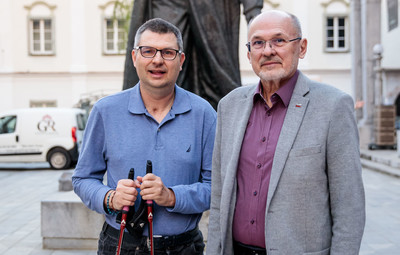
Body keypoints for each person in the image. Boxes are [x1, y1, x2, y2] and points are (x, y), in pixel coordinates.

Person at [207, 10, 365, 255]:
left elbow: (349, 207)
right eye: (258, 43)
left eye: (279, 40)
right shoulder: (229, 106)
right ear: (249, 54)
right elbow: (218, 198)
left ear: (301, 48)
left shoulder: (333, 106)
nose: (268, 50)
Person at [72, 18, 216, 255]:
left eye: (168, 52)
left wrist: (171, 196)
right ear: (134, 57)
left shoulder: (204, 114)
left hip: (183, 247)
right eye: (148, 51)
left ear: (180, 61)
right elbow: (82, 179)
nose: (157, 60)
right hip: (120, 244)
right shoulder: (105, 111)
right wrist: (110, 198)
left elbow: (217, 188)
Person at [122, 0, 264, 109]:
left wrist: (253, 9)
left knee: (219, 77)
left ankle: (229, 130)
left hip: (212, 5)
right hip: (168, 3)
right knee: (164, 62)